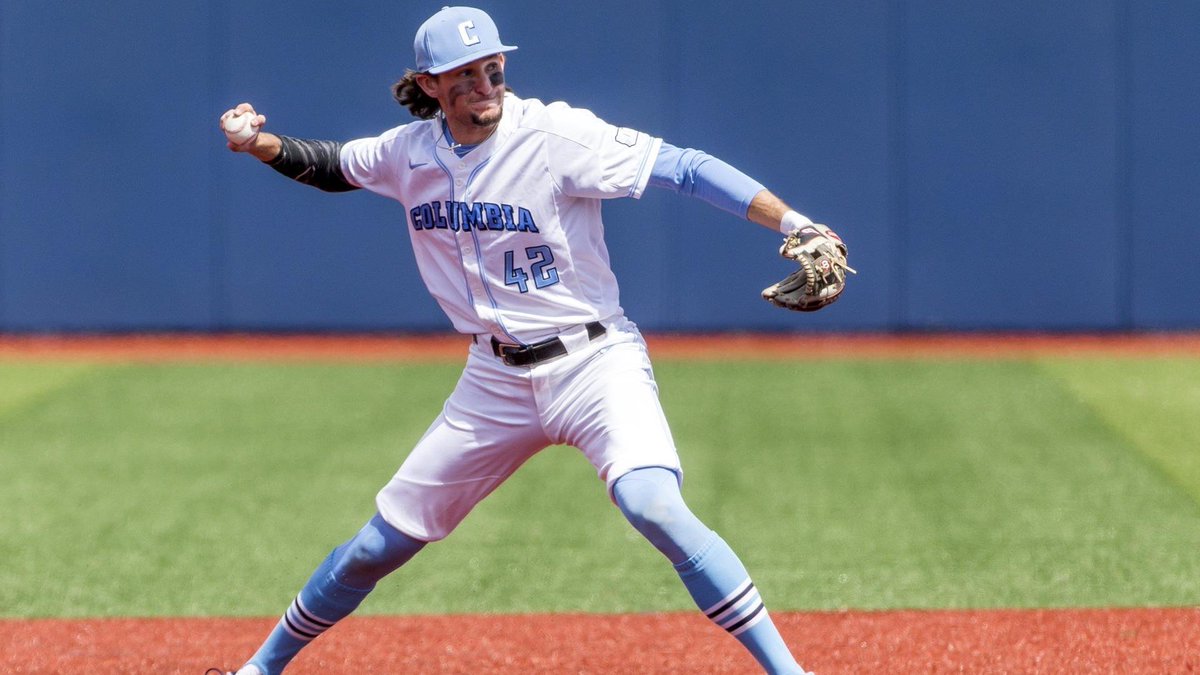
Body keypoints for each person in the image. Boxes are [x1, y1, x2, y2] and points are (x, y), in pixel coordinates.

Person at [212, 6, 846, 674]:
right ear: (430, 84)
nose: (485, 84)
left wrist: (793, 222)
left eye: (492, 67)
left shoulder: (553, 134)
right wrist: (258, 143)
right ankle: (258, 670)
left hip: (593, 359)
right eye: (465, 75)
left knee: (653, 504)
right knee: (377, 546)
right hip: (493, 379)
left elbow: (683, 167)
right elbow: (333, 164)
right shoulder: (409, 153)